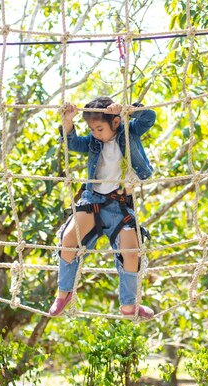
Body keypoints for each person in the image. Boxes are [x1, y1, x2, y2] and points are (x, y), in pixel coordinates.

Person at [49, 96, 156, 319]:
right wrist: (68, 122)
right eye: (92, 129)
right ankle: (63, 294)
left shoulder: (130, 132)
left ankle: (129, 305)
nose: (95, 133)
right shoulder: (93, 142)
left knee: (131, 251)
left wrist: (127, 110)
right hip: (94, 201)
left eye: (99, 128)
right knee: (69, 240)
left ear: (115, 122)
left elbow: (149, 117)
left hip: (120, 206)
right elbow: (72, 143)